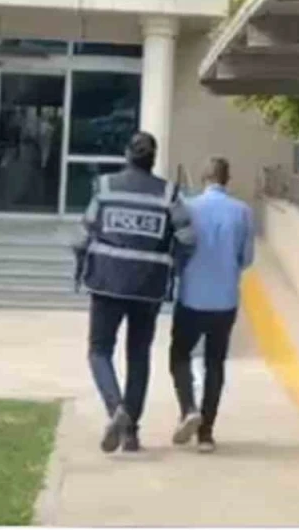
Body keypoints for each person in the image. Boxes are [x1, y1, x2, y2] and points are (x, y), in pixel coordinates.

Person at [73, 132, 196, 454]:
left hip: (106, 281)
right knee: (138, 355)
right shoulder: (168, 193)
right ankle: (130, 434)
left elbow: (82, 234)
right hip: (148, 286)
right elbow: (188, 238)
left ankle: (116, 409)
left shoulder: (106, 187)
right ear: (153, 159)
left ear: (127, 154)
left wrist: (80, 262)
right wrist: (174, 265)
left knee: (99, 350)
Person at [169, 157, 255, 454]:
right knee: (215, 363)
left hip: (191, 296)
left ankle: (188, 408)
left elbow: (178, 249)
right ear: (227, 179)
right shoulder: (242, 211)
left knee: (179, 354)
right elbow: (247, 258)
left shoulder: (188, 208)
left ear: (204, 178)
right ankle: (206, 433)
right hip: (225, 300)